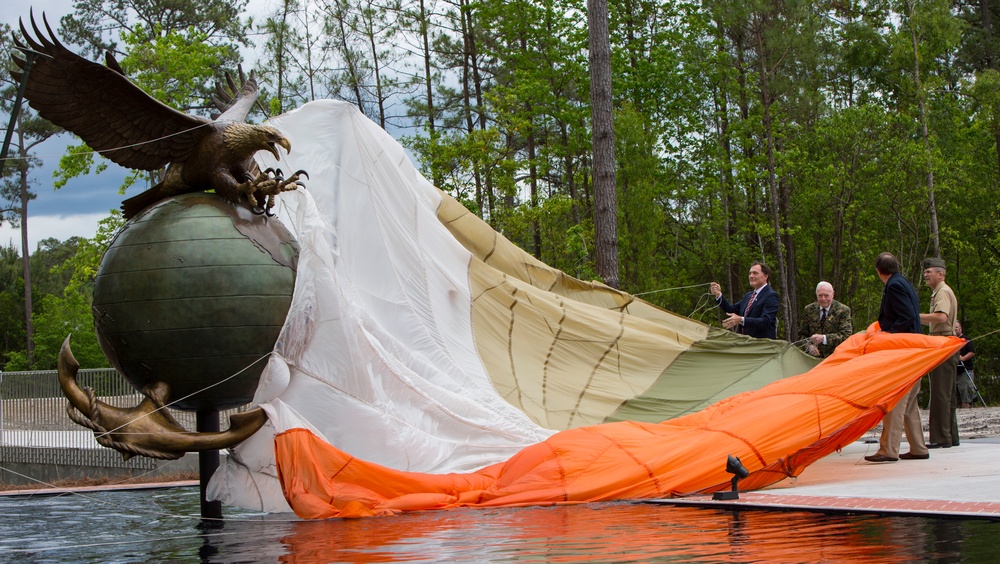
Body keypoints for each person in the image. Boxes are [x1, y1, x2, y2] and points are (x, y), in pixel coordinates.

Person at [865, 252, 929, 463]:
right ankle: (918, 447)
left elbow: (907, 316)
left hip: (905, 351)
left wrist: (888, 334)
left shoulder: (894, 286)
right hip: (915, 350)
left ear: (878, 271)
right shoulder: (904, 283)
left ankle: (888, 450)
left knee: (895, 400)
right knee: (910, 403)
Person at [920, 257, 959, 449]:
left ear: (940, 274)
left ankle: (940, 438)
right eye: (925, 272)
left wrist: (914, 316)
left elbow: (941, 317)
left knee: (940, 393)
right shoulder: (941, 291)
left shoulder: (942, 291)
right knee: (947, 393)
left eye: (929, 272)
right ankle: (950, 436)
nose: (925, 275)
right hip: (944, 341)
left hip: (943, 342)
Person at [709, 262, 779, 339]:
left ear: (765, 276)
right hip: (743, 343)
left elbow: (766, 321)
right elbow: (731, 310)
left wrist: (741, 320)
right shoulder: (748, 296)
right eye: (750, 273)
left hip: (761, 345)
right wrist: (718, 295)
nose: (751, 276)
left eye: (755, 273)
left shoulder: (771, 295)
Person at [798, 281, 853, 358]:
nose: (823, 299)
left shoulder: (842, 310)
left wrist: (824, 338)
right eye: (820, 295)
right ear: (816, 294)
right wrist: (809, 346)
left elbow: (846, 336)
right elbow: (802, 335)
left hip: (835, 357)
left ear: (832, 294)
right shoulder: (809, 310)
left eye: (826, 295)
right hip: (812, 359)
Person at [955, 321, 976, 408]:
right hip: (954, 372)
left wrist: (963, 358)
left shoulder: (966, 339)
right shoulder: (951, 340)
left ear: (960, 328)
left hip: (965, 371)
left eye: (956, 327)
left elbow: (972, 352)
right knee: (956, 398)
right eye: (953, 327)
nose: (955, 329)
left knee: (965, 397)